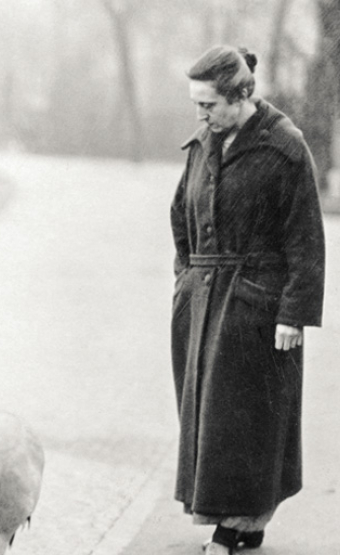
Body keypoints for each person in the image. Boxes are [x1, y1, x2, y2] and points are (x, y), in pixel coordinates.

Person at [170, 45, 325, 555]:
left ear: (241, 96)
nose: (201, 114)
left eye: (209, 105)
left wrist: (293, 313)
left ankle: (235, 526)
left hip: (257, 307)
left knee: (253, 422)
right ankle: (242, 523)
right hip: (204, 303)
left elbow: (305, 237)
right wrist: (185, 282)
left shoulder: (284, 146)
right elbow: (180, 216)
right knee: (212, 423)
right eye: (197, 104)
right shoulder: (202, 142)